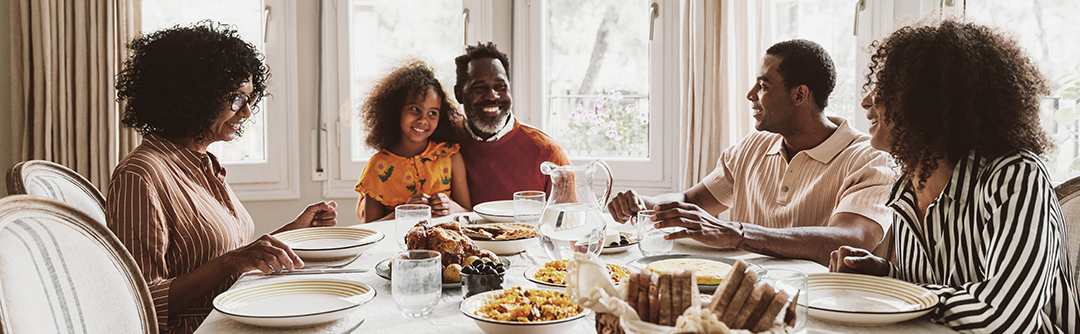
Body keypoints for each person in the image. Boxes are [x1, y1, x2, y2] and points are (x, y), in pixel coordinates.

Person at [829, 19, 1079, 333]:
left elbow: (1001, 316)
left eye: (886, 87)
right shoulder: (907, 190)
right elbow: (940, 290)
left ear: (928, 101)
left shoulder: (1016, 178)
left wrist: (894, 295)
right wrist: (885, 276)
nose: (867, 101)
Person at [107, 21, 338, 334]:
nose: (245, 113)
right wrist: (232, 262)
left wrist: (293, 230)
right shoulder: (141, 175)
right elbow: (141, 300)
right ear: (192, 95)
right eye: (235, 99)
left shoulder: (204, 164)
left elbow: (234, 255)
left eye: (250, 99)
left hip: (240, 317)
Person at [607, 39, 897, 265]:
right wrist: (646, 205)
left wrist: (739, 234)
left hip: (823, 305)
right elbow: (690, 201)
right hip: (746, 295)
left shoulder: (869, 158)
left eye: (763, 85)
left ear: (799, 94)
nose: (750, 95)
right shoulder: (751, 148)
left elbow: (852, 240)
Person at [453, 42, 571, 204]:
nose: (492, 96)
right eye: (479, 88)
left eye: (500, 86)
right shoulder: (442, 143)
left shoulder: (548, 153)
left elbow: (569, 223)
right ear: (459, 94)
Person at [354, 59, 471, 222]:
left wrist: (453, 208)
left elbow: (469, 214)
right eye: (415, 109)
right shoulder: (377, 166)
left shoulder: (450, 156)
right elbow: (370, 229)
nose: (423, 120)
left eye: (432, 113)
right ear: (396, 110)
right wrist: (401, 213)